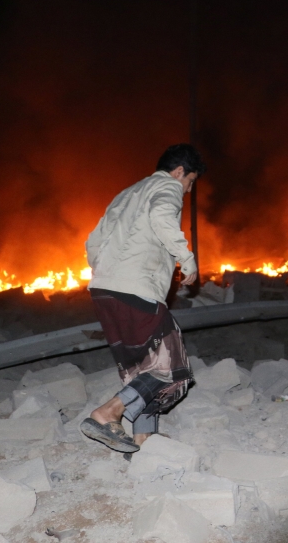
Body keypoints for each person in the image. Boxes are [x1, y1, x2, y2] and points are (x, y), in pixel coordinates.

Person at [79, 144, 204, 453]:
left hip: (105, 289)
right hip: (137, 288)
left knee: (142, 370)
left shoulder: (127, 193)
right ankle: (108, 413)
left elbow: (93, 242)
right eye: (190, 182)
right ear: (179, 172)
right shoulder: (166, 186)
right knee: (173, 369)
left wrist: (107, 273)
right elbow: (163, 216)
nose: (187, 191)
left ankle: (143, 442)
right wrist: (186, 258)